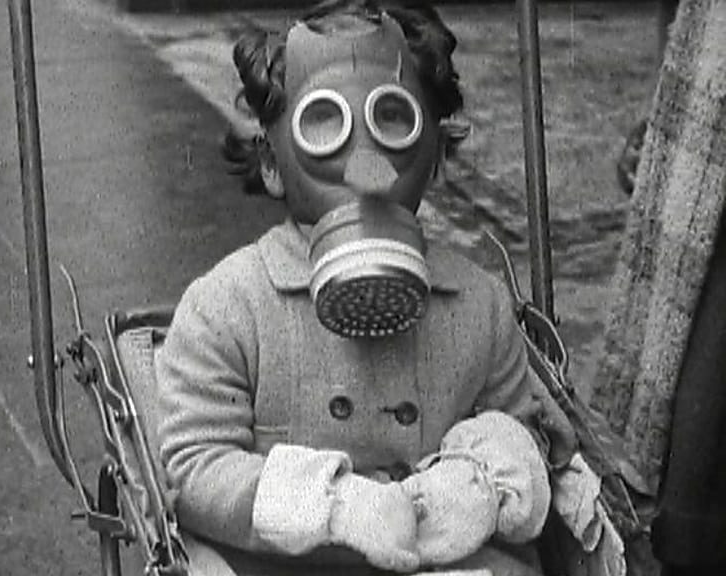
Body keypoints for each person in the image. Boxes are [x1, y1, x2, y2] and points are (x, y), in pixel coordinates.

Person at [154, 2, 575, 574]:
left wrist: (473, 487)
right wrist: (331, 506)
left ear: (434, 159)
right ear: (272, 164)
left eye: (392, 120)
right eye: (324, 125)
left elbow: (524, 436)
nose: (364, 168)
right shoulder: (229, 307)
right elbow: (192, 468)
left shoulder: (480, 304)